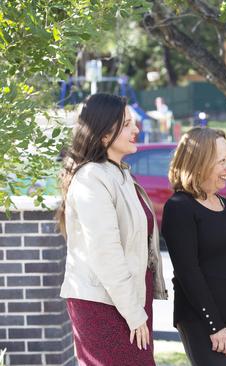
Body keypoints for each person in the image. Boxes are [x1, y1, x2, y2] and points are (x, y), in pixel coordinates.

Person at [59, 93, 168, 365]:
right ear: (105, 134)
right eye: (127, 124)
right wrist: (134, 313)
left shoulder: (120, 173)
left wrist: (138, 307)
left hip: (129, 298)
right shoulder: (91, 178)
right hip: (103, 304)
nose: (136, 129)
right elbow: (105, 252)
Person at [161, 128, 226, 366]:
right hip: (207, 323)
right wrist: (215, 325)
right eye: (221, 161)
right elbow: (188, 272)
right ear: (198, 163)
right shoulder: (179, 207)